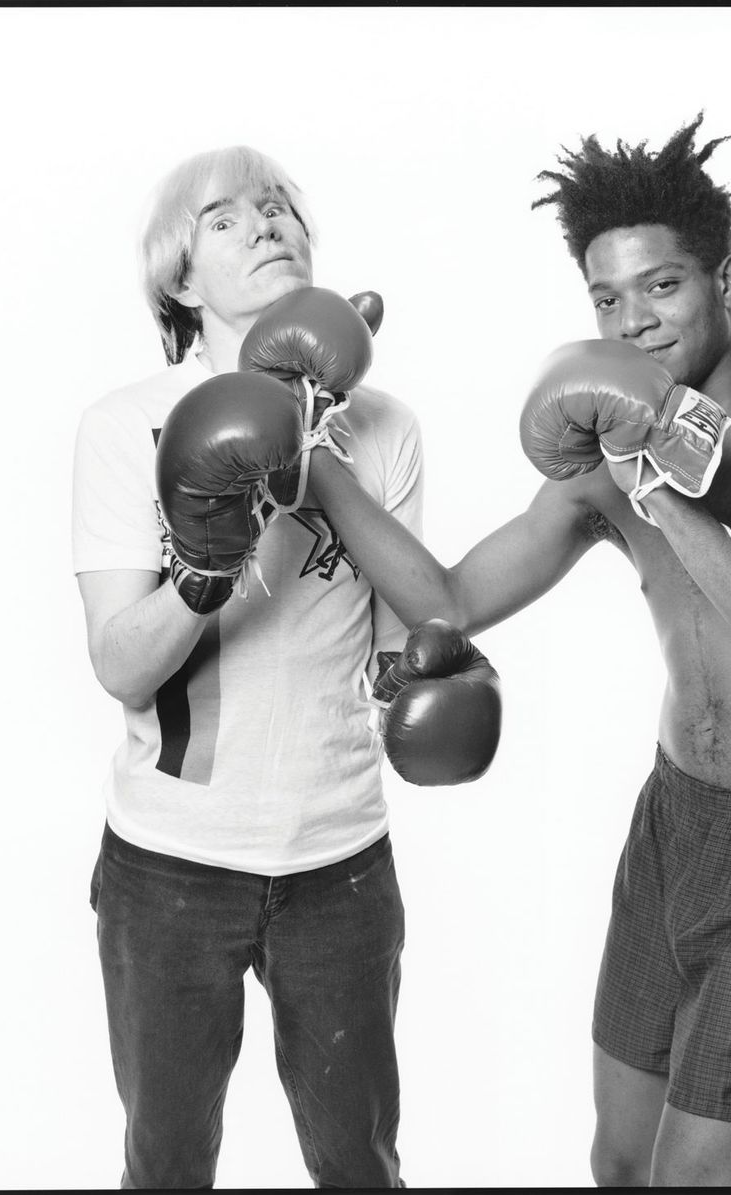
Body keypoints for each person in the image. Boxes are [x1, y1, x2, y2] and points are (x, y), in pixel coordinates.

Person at [301, 114, 731, 1187]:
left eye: (662, 287)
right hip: (675, 824)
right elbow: (451, 594)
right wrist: (316, 461)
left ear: (728, 279)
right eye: (607, 300)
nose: (635, 321)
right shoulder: (603, 457)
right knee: (619, 1165)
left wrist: (658, 485)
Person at [71, 145, 498, 1189]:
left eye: (279, 210)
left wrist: (434, 683)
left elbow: (399, 644)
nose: (267, 226)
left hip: (339, 861)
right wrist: (207, 566)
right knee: (167, 1167)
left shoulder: (386, 427)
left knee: (359, 1164)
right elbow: (120, 666)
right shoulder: (130, 423)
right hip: (169, 864)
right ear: (180, 277)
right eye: (226, 217)